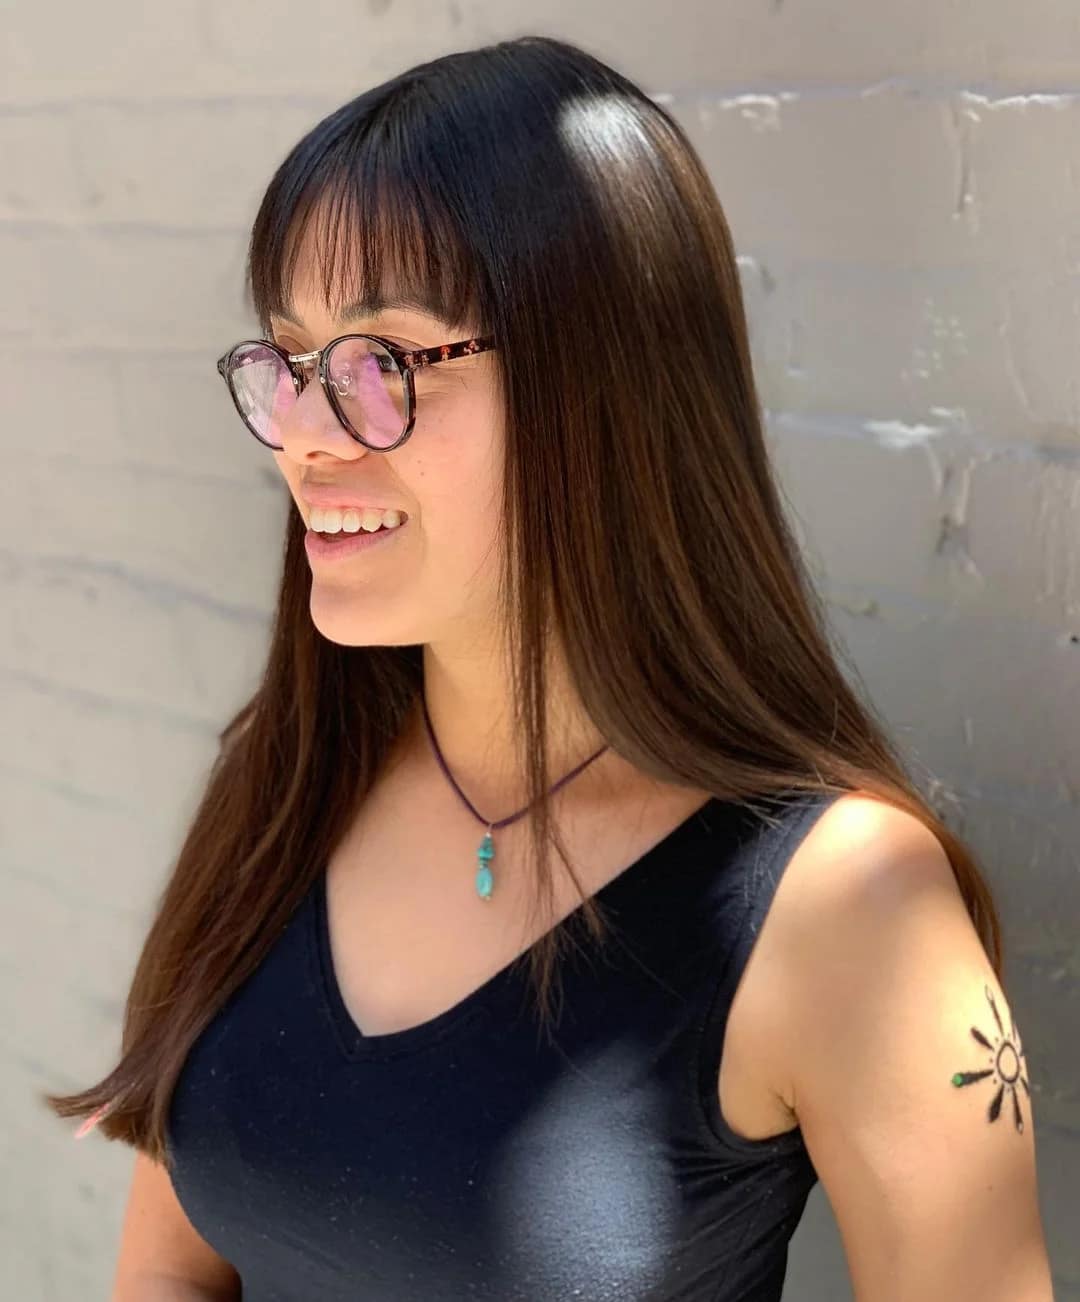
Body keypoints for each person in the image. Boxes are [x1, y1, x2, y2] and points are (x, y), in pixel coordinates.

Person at [46, 34, 1053, 1302]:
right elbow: (169, 1271)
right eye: (290, 362)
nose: (300, 434)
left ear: (602, 387)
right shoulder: (290, 784)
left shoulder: (850, 905)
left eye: (380, 363)